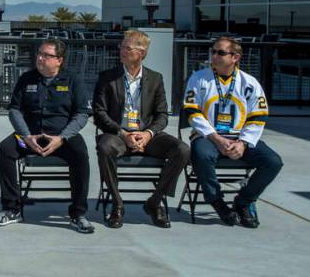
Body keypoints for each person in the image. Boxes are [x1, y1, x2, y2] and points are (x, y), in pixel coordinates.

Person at [0, 39, 94, 233]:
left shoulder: (73, 81)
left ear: (59, 60)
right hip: (29, 139)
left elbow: (82, 114)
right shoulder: (27, 79)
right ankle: (12, 209)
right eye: (39, 53)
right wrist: (27, 136)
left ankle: (78, 213)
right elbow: (14, 110)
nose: (40, 58)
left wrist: (62, 138)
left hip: (62, 140)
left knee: (80, 153)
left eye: (46, 55)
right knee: (5, 150)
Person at [93, 30, 190, 228]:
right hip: (118, 134)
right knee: (104, 147)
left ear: (142, 53)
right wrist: (124, 133)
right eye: (121, 46)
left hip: (147, 136)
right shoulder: (107, 77)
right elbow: (99, 113)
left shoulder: (155, 78)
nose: (122, 51)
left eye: (127, 48)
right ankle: (117, 204)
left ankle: (154, 202)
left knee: (182, 150)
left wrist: (148, 134)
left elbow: (162, 114)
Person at [183, 36, 283, 228]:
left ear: (235, 57)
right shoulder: (199, 78)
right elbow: (192, 111)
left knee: (273, 162)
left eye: (220, 52)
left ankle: (244, 201)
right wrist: (216, 138)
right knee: (201, 155)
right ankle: (218, 203)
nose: (214, 55)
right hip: (208, 137)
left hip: (239, 138)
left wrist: (243, 143)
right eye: (213, 51)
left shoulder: (249, 82)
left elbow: (258, 116)